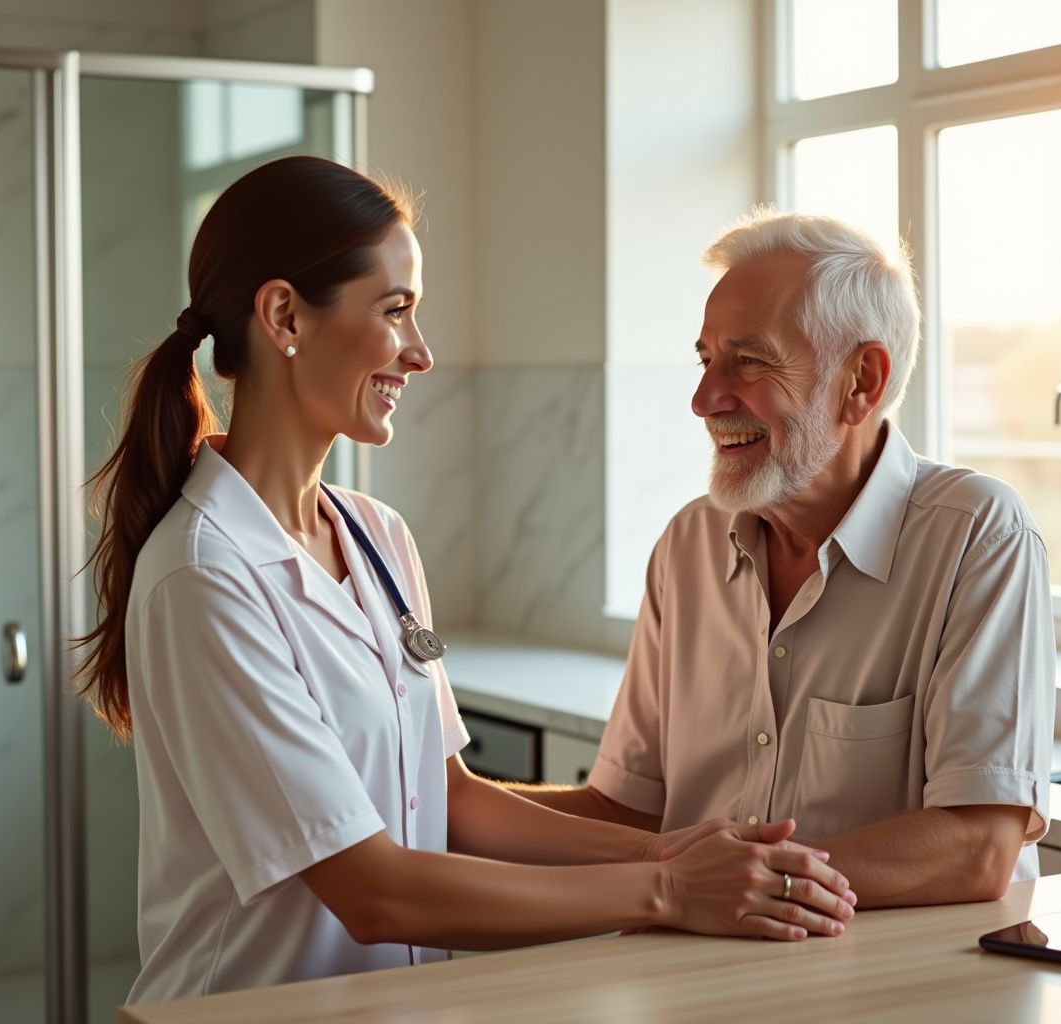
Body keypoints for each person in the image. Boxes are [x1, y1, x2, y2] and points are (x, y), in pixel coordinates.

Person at [74, 159, 855, 1004]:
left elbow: (450, 798)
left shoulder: (375, 537)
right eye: (396, 310)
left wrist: (668, 849)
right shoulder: (205, 576)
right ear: (284, 315)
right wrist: (669, 893)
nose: (421, 351)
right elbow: (375, 892)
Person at [506, 211, 1056, 908]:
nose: (705, 400)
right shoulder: (688, 545)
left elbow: (977, 846)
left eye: (749, 361)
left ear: (862, 380)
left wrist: (732, 887)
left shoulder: (978, 535)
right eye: (707, 360)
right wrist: (419, 812)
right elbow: (630, 815)